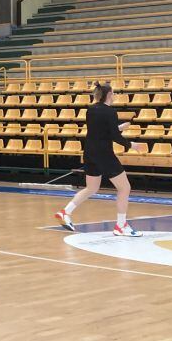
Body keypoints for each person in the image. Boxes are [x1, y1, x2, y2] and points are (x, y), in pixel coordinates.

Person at [54, 81, 146, 236]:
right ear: (109, 95)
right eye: (114, 93)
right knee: (125, 188)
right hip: (104, 154)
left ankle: (65, 212)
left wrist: (118, 127)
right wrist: (132, 144)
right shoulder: (110, 112)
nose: (115, 95)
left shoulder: (90, 110)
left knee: (91, 188)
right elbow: (114, 136)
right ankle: (121, 226)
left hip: (90, 153)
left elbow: (100, 131)